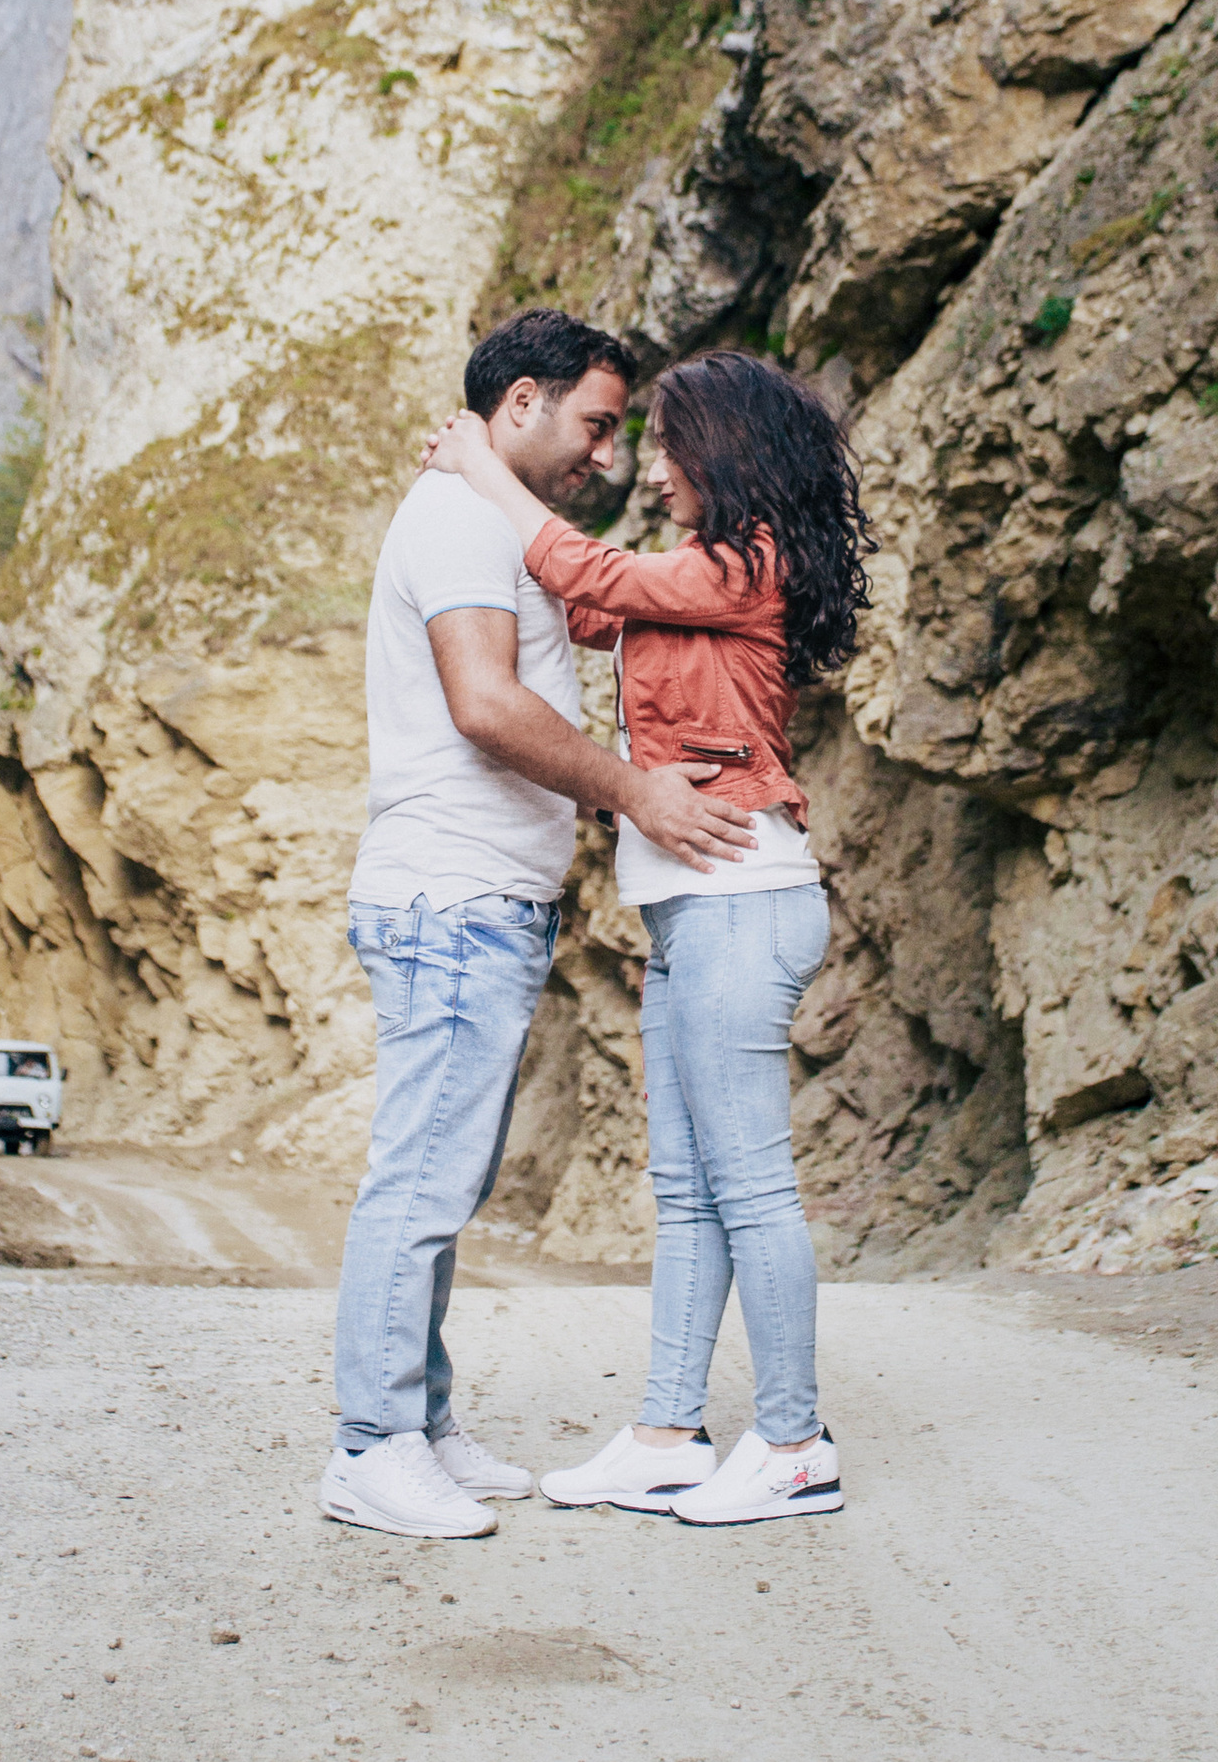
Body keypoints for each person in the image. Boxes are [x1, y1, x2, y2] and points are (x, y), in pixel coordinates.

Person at [322, 310, 756, 1541]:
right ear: (521, 403)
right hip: (448, 896)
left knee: (442, 1181)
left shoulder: (484, 511)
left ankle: (423, 1421)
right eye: (595, 424)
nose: (607, 457)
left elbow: (592, 592)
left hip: (479, 901)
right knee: (418, 1180)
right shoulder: (459, 517)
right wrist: (636, 791)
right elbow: (484, 704)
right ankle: (370, 1444)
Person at [423, 348, 872, 1527]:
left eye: (670, 444)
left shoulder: (749, 560)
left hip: (742, 899)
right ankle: (669, 1432)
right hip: (686, 913)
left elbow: (580, 564)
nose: (656, 467)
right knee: (686, 1191)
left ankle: (794, 1442)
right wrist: (485, 497)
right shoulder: (692, 571)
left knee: (752, 1190)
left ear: (721, 451)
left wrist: (480, 462)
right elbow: (583, 599)